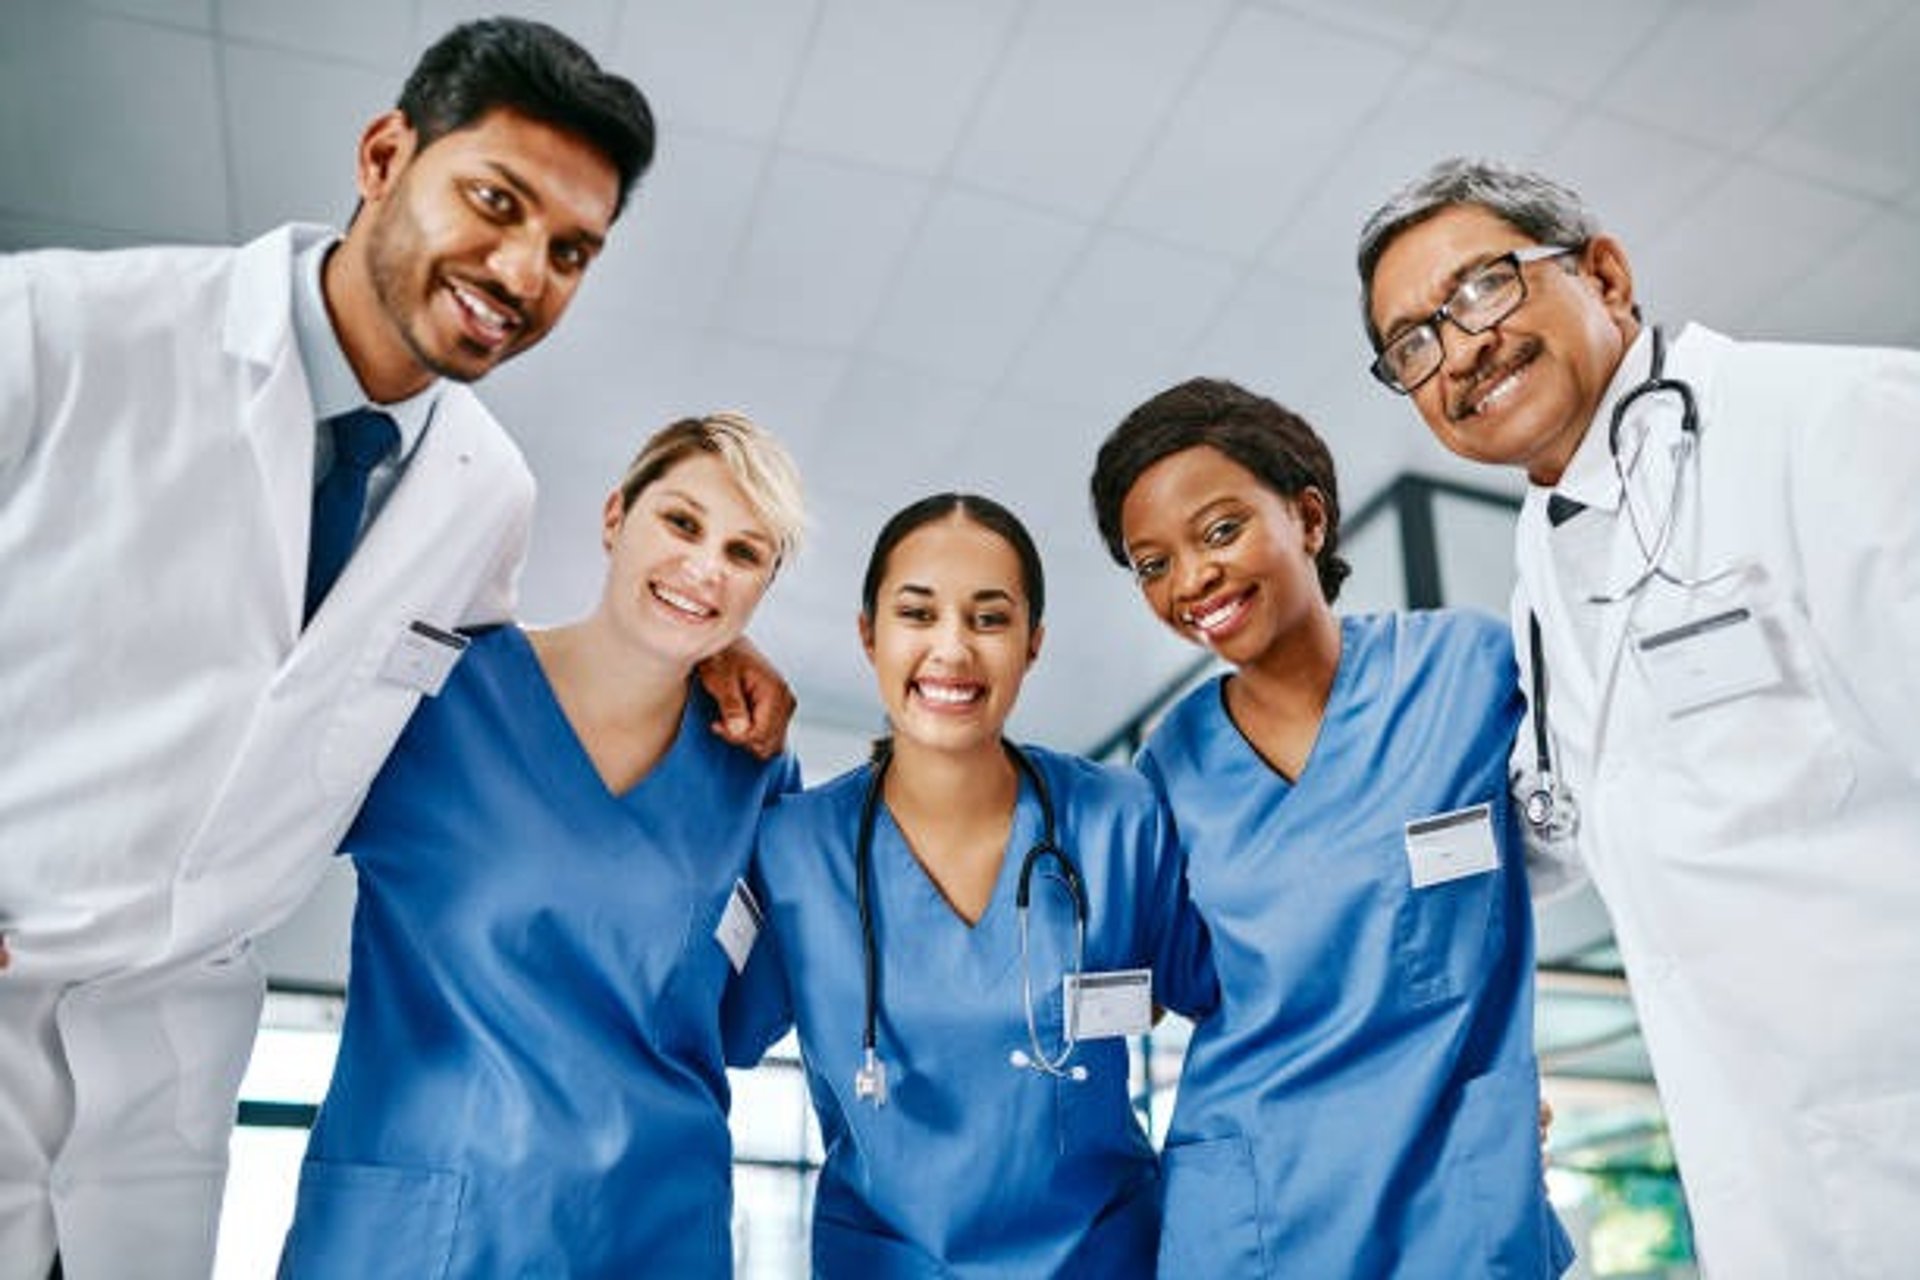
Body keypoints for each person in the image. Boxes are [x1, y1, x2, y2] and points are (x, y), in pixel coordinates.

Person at [0, 20, 784, 1278]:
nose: (524, 268)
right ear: (382, 154)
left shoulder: (489, 494)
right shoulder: (61, 327)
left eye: (570, 249)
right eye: (495, 200)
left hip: (164, 1081)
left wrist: (705, 658)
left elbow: (426, 715)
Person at [1355, 156, 1920, 1278]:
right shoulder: (1547, 560)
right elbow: (1575, 821)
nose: (1460, 347)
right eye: (1414, 343)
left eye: (1483, 288)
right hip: (1776, 1185)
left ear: (1605, 274)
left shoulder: (1830, 421)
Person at [277, 413, 804, 1278]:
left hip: (648, 1234)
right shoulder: (442, 694)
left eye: (745, 555)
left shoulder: (754, 776)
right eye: (681, 522)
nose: (706, 565)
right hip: (421, 1230)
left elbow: (744, 1025)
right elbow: (247, 783)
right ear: (614, 518)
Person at [1089, 377, 1572, 1277]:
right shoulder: (1170, 769)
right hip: (1253, 1213)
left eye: (1221, 530)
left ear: (1309, 519)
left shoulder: (1470, 672)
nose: (1191, 580)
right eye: (1152, 563)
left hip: (1456, 1192)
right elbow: (1156, 981)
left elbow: (1597, 808)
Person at [724, 493, 1217, 1277]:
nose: (951, 650)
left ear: (1033, 645)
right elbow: (706, 1033)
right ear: (868, 634)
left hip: (1103, 1258)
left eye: (990, 619)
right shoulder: (792, 849)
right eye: (917, 614)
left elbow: (1239, 1001)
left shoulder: (1119, 822)